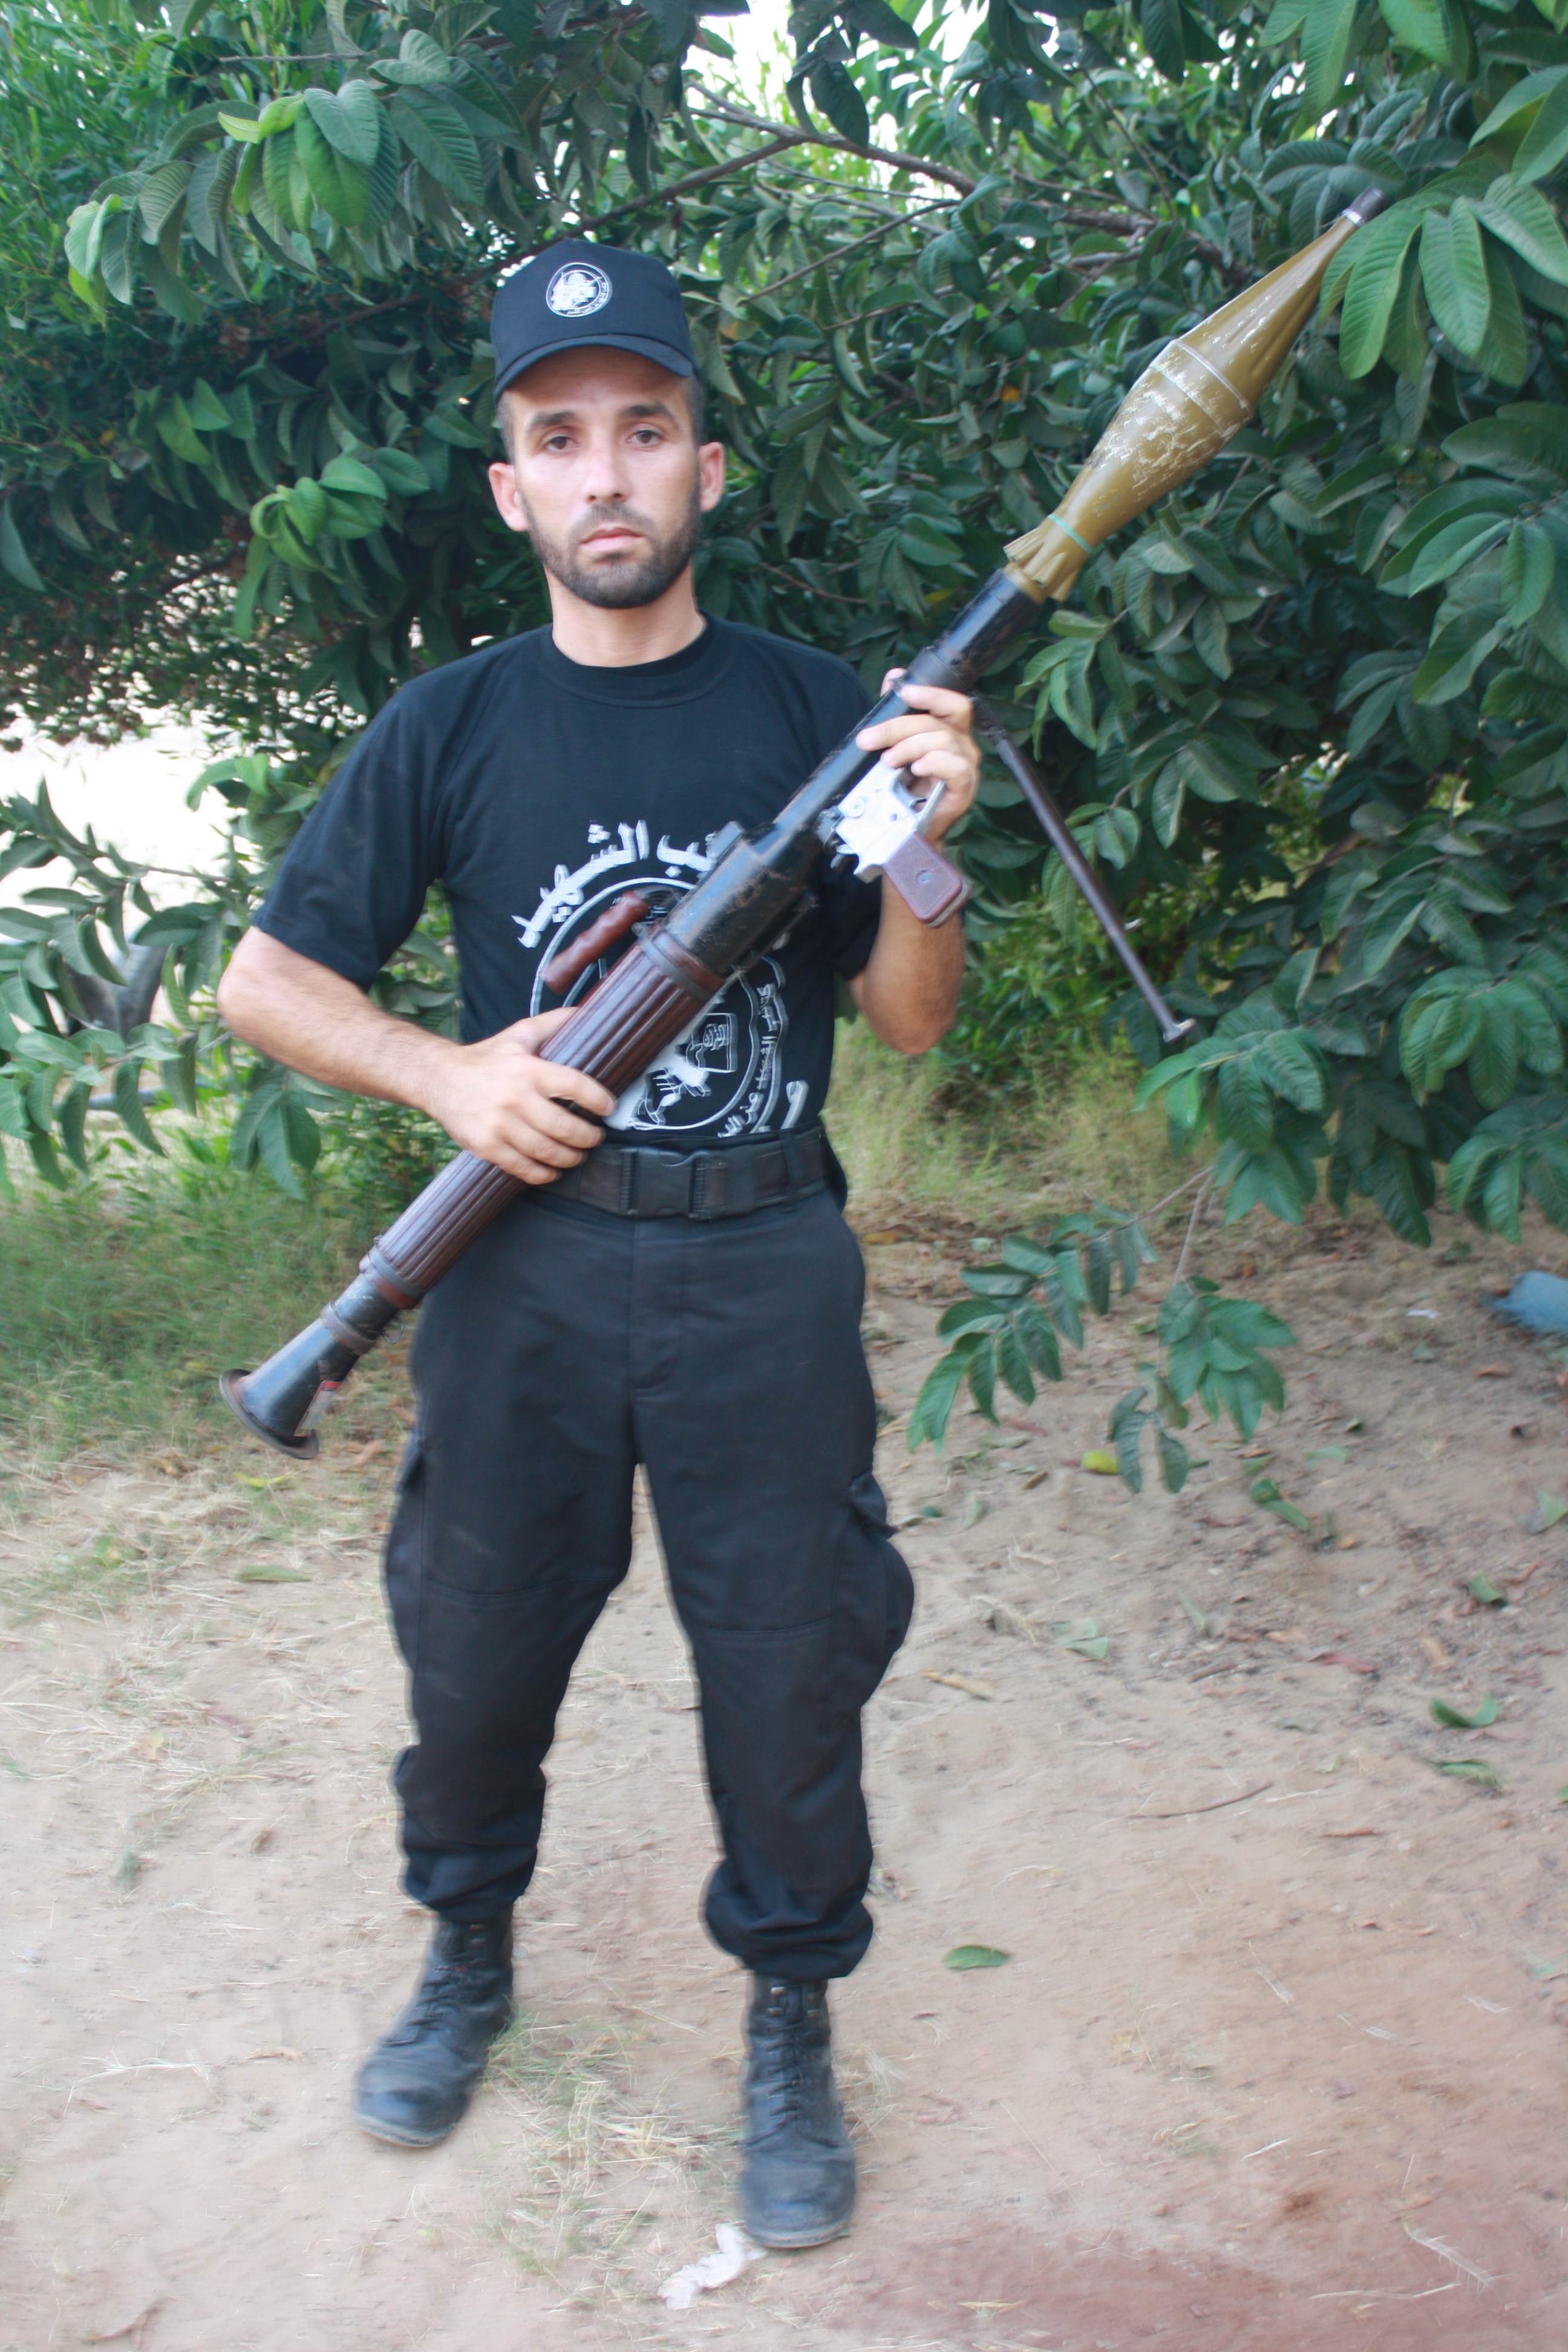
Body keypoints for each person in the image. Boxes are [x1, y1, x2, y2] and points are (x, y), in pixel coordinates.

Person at [217, 240, 980, 2249]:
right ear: (513, 491)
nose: (607, 471)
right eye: (561, 439)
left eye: (645, 430)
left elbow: (909, 1022)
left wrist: (932, 838)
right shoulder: (451, 724)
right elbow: (267, 983)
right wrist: (449, 1078)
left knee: (789, 1663)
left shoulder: (824, 716)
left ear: (705, 467)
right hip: (523, 1272)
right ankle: (466, 1956)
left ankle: (791, 2017)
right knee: (475, 1643)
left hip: (765, 1263)